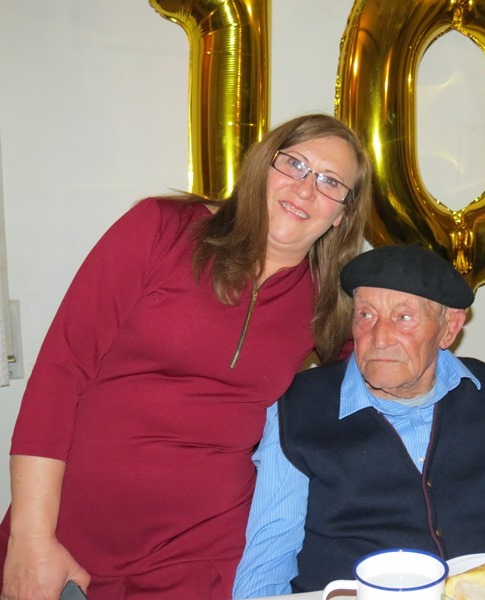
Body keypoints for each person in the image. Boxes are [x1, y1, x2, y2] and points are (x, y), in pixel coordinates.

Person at [0, 113, 373, 600]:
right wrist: (31, 537)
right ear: (263, 166)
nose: (305, 189)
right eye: (295, 164)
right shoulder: (162, 228)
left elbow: (387, 368)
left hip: (203, 553)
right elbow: (60, 370)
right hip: (71, 527)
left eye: (330, 182)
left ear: (342, 213)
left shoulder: (328, 300)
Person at [232, 244, 485, 598]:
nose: (380, 338)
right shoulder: (298, 408)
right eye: (366, 314)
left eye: (404, 317)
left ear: (449, 328)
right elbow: (269, 557)